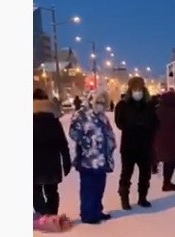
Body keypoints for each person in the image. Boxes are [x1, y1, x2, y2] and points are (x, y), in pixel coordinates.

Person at [69, 90, 117, 224]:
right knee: (88, 188)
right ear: (91, 100)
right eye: (98, 102)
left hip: (102, 159)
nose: (100, 105)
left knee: (99, 187)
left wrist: (111, 144)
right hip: (87, 159)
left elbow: (108, 132)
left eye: (103, 102)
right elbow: (73, 132)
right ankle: (88, 214)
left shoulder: (102, 116)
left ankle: (97, 210)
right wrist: (86, 142)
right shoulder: (81, 115)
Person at [114, 77, 159, 210]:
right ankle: (124, 198)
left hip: (145, 145)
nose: (137, 92)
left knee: (145, 174)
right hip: (129, 145)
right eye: (135, 89)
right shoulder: (122, 105)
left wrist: (149, 129)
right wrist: (132, 126)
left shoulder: (149, 104)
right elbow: (119, 122)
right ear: (130, 89)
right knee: (126, 173)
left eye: (140, 89)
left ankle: (142, 198)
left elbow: (156, 122)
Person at [33, 88, 71, 216]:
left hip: (34, 161)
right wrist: (66, 161)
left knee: (34, 190)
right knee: (52, 190)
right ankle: (52, 215)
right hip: (51, 161)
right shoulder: (54, 121)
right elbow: (62, 143)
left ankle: (42, 213)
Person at [154, 91, 175, 191]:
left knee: (166, 161)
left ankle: (166, 182)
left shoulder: (158, 111)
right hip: (173, 141)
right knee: (171, 162)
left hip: (160, 140)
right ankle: (167, 183)